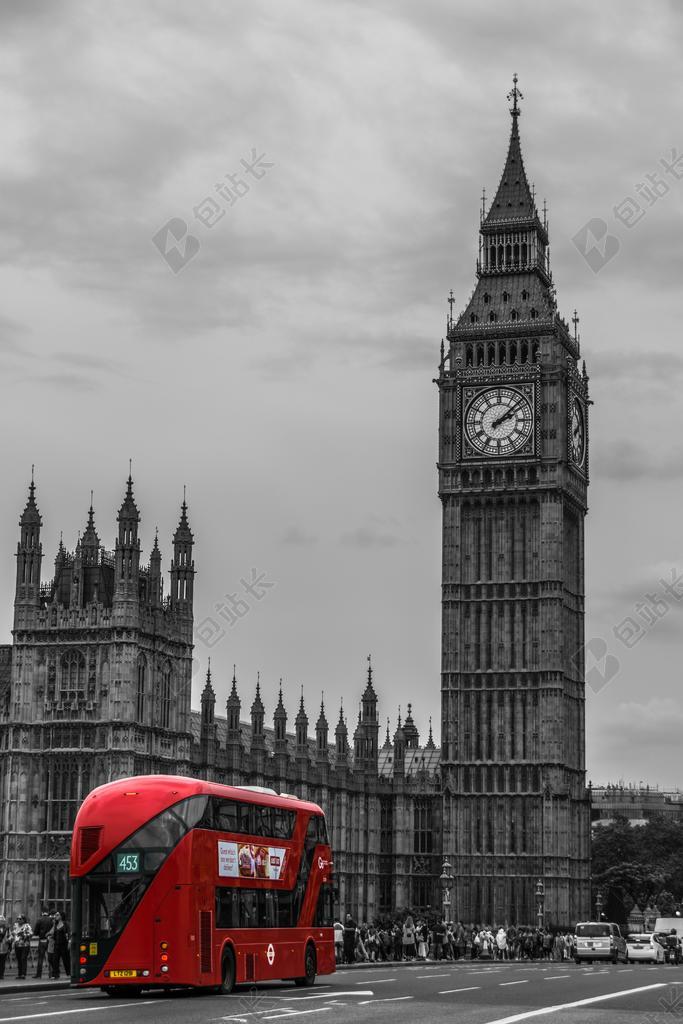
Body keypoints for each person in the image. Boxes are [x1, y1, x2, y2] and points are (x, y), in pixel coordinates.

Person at [49, 911, 70, 979]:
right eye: (55, 915)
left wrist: (69, 942)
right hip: (57, 944)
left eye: (57, 915)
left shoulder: (65, 924)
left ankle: (69, 973)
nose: (55, 916)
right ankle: (56, 974)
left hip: (64, 944)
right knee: (55, 959)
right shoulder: (56, 924)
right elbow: (54, 934)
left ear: (61, 916)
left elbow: (68, 934)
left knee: (66, 959)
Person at [33, 907, 53, 979]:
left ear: (42, 912)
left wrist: (40, 933)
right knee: (50, 957)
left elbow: (35, 932)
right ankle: (51, 974)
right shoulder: (51, 920)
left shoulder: (39, 920)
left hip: (42, 940)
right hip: (49, 940)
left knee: (40, 958)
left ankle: (39, 975)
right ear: (48, 912)